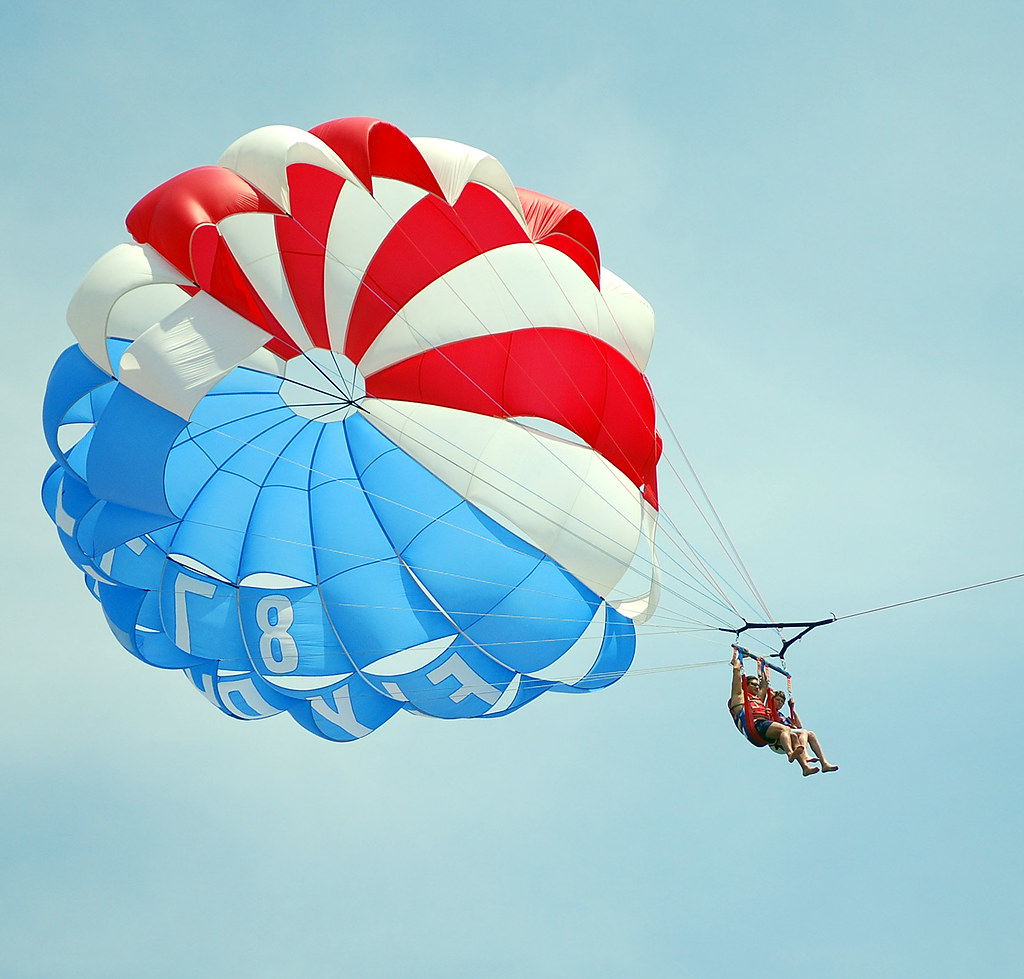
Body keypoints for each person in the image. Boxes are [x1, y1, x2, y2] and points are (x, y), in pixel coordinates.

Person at [728, 650, 831, 776]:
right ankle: (790, 754)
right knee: (784, 729)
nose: (757, 687)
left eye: (757, 685)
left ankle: (805, 767)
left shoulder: (757, 699)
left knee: (793, 736)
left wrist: (761, 666)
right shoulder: (739, 698)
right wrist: (738, 657)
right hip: (755, 727)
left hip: (764, 729)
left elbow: (764, 685)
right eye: (754, 685)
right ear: (746, 685)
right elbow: (736, 673)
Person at [769, 689, 839, 773]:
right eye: (777, 700)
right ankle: (805, 755)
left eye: (781, 701)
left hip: (790, 736)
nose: (779, 702)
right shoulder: (770, 710)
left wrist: (792, 709)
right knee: (803, 732)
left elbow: (798, 725)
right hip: (777, 739)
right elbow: (769, 705)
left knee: (811, 734)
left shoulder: (783, 716)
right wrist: (770, 696)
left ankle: (822, 764)